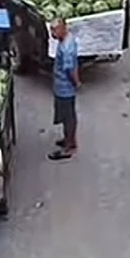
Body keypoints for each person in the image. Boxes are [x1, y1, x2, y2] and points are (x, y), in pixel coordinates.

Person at [49, 17, 79, 160]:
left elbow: (70, 70)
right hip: (60, 86)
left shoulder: (66, 48)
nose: (52, 34)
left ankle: (69, 147)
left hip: (65, 88)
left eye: (54, 31)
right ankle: (69, 140)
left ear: (63, 29)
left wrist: (76, 82)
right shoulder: (67, 39)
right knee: (66, 115)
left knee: (68, 117)